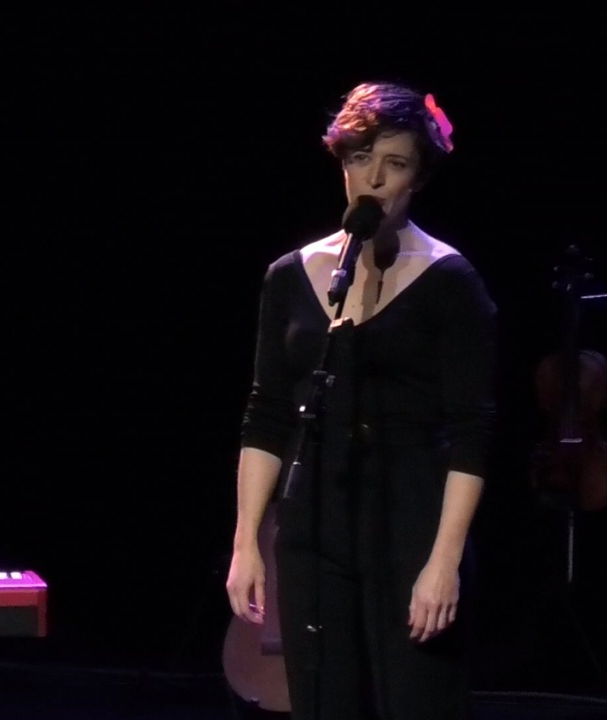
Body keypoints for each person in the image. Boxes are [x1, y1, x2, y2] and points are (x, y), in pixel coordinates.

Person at [225, 81, 496, 719]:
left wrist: (444, 562)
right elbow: (265, 416)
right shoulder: (290, 275)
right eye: (360, 158)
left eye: (394, 163)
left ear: (418, 179)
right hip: (316, 526)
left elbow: (473, 432)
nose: (373, 179)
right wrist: (245, 544)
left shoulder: (449, 279)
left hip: (411, 525)